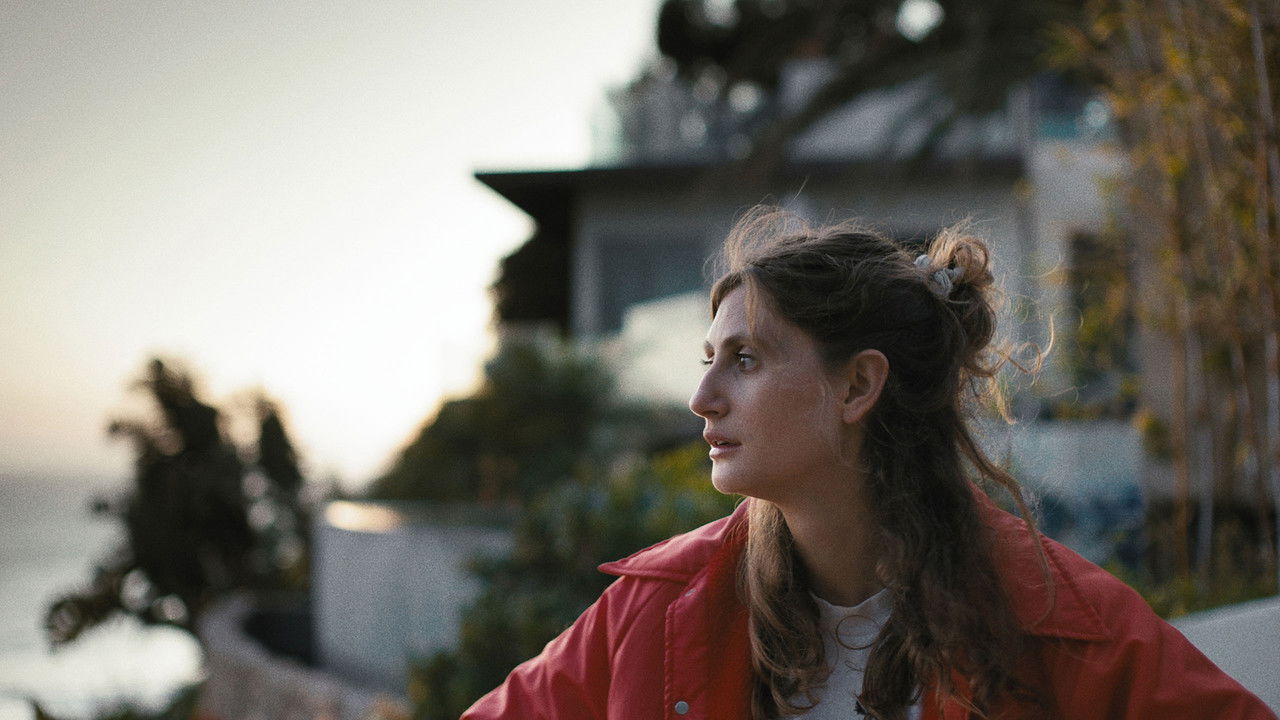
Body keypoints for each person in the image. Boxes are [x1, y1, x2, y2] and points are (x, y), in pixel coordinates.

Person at [461, 209, 1276, 719]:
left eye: (745, 359)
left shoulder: (1064, 624)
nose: (702, 397)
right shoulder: (654, 613)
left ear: (858, 385)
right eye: (708, 360)